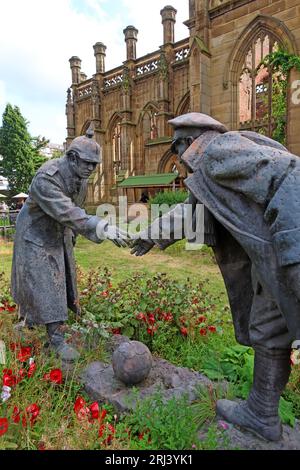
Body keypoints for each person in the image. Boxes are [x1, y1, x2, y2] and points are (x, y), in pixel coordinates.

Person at [131, 112, 300, 442]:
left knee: (272, 329)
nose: (178, 160)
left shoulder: (216, 152)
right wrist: (151, 234)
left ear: (185, 144)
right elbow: (194, 213)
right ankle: (262, 413)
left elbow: (291, 173)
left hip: (288, 252)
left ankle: (261, 412)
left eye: (176, 149)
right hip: (273, 261)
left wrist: (294, 248)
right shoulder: (210, 167)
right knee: (267, 331)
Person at [11, 127, 129, 362]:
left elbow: (76, 211)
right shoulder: (47, 177)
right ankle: (54, 338)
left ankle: (34, 320)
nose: (91, 169)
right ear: (72, 157)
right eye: (87, 163)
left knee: (63, 277)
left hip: (58, 230)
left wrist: (74, 236)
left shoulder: (80, 177)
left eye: (95, 164)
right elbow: (67, 212)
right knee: (43, 280)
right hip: (34, 233)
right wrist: (102, 227)